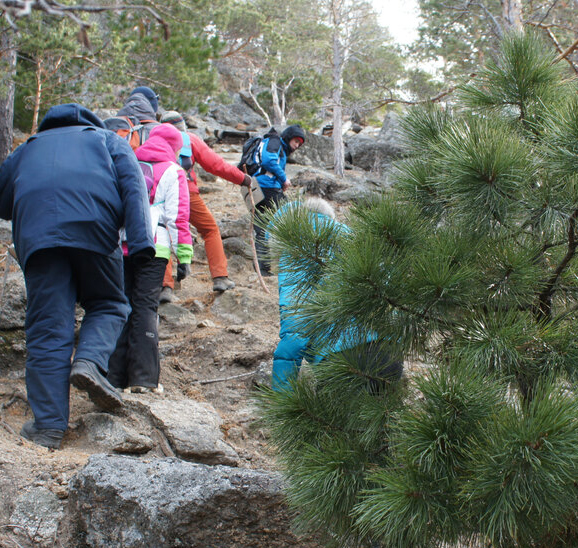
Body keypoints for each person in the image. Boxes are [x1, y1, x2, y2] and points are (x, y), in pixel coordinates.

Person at [0, 103, 152, 449]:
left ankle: (48, 428)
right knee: (109, 304)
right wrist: (141, 242)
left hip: (41, 243)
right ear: (89, 121)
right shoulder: (108, 140)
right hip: (96, 233)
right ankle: (88, 362)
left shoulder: (28, 147)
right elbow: (134, 187)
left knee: (48, 329)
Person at [271, 197, 401, 392]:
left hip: (342, 361)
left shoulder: (295, 249)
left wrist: (281, 402)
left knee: (337, 422)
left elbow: (296, 329)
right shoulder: (353, 237)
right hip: (390, 353)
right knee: (383, 419)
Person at [105, 123, 187, 394]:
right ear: (175, 147)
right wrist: (183, 256)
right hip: (155, 248)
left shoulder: (128, 162)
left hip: (123, 244)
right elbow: (177, 218)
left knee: (121, 305)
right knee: (145, 308)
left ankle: (113, 377)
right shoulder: (173, 171)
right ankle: (144, 378)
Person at [159, 110, 255, 294]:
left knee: (162, 235)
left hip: (160, 195)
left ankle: (165, 287)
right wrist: (243, 179)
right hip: (186, 193)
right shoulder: (189, 139)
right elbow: (216, 165)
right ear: (182, 127)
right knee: (210, 230)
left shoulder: (151, 140)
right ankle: (220, 277)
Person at [248, 124, 305, 275]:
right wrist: (284, 179)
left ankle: (263, 269)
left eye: (299, 143)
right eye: (296, 141)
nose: (297, 145)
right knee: (292, 217)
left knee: (262, 228)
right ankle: (297, 265)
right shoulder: (275, 141)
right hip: (267, 188)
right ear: (288, 136)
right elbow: (268, 161)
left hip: (254, 187)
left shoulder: (270, 143)